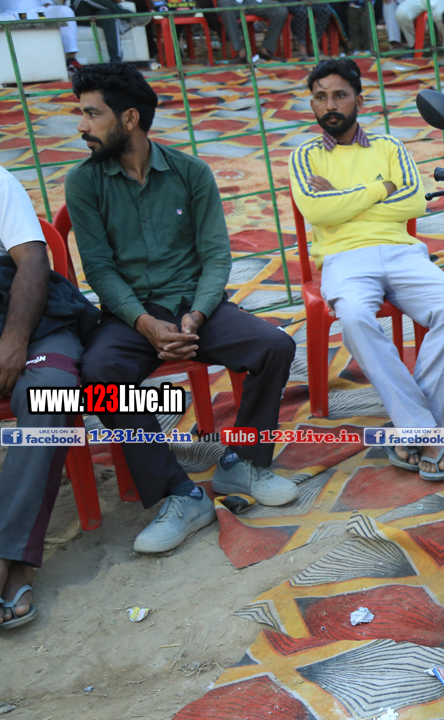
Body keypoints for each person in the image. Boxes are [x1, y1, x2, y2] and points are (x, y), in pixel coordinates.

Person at [65, 64, 299, 554]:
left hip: (197, 306)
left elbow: (216, 256)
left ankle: (242, 463)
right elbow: (99, 269)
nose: (82, 126)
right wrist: (145, 322)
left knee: (274, 345)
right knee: (101, 374)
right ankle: (180, 493)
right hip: (130, 314)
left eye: (92, 114)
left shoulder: (191, 173)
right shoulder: (84, 182)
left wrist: (197, 314)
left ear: (130, 118)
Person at [289, 59, 444, 481]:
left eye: (339, 95)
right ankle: (425, 433)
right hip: (344, 259)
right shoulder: (304, 156)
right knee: (354, 317)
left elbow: (414, 202)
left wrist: (343, 198)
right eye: (320, 97)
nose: (330, 105)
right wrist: (380, 188)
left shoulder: (390, 147)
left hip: (402, 252)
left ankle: (411, 430)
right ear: (312, 104)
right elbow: (318, 210)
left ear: (359, 100)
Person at [0, 166, 99, 630]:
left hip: (32, 322)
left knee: (51, 393)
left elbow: (33, 261)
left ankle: (11, 556)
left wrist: (14, 339)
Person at [0, 0, 81, 74]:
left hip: (38, 12)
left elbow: (46, 3)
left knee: (65, 11)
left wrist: (48, 5)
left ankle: (71, 60)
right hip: (11, 15)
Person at [70, 0, 151, 64]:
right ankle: (128, 16)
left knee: (108, 15)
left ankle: (116, 60)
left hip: (99, 10)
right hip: (78, 10)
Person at [219, 0, 287, 62]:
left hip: (256, 2)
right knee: (225, 6)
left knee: (280, 10)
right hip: (232, 2)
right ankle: (240, 52)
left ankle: (266, 50)